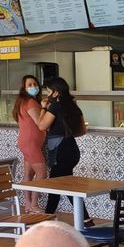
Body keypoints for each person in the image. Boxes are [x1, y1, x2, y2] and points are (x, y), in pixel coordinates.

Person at [40, 77, 92, 225]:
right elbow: (82, 131)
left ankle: (46, 218)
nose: (48, 94)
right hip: (72, 150)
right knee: (64, 185)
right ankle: (85, 219)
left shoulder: (55, 107)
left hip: (59, 151)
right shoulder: (74, 107)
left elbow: (41, 126)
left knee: (57, 185)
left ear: (56, 92)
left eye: (49, 91)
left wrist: (43, 108)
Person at [12, 75, 48, 214]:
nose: (33, 87)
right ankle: (34, 205)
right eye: (30, 85)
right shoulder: (31, 102)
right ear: (24, 88)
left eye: (35, 84)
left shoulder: (23, 101)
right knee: (42, 173)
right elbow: (40, 123)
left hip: (27, 142)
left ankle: (28, 204)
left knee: (28, 174)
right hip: (31, 143)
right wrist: (44, 108)